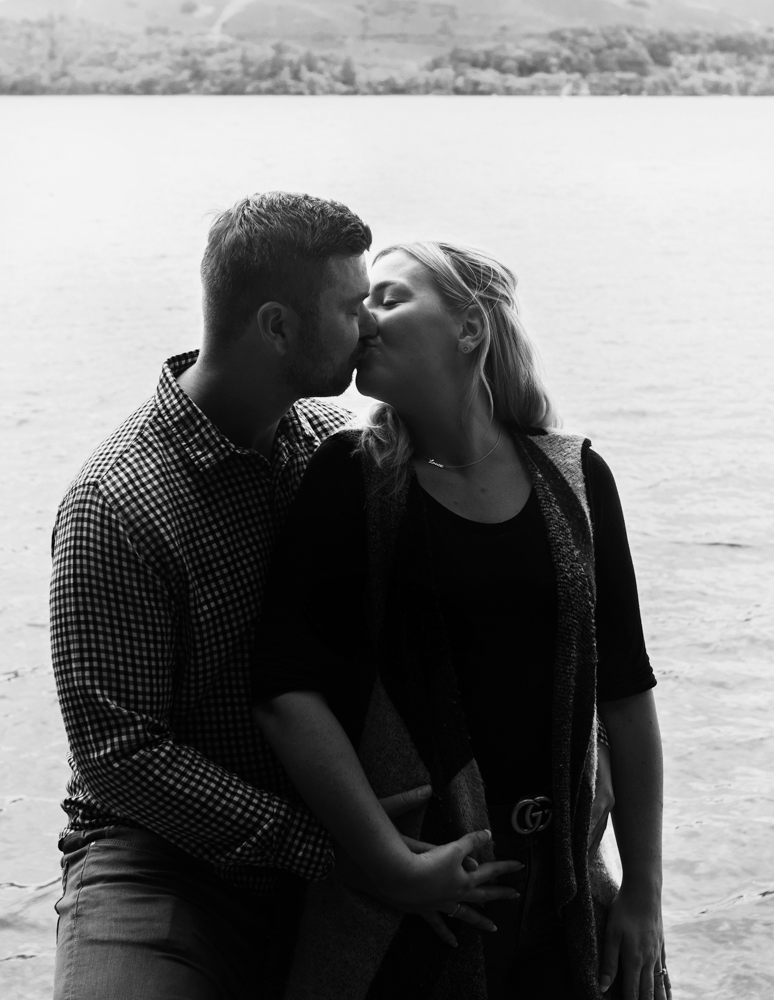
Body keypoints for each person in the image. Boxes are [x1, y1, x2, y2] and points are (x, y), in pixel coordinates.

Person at [48, 193, 519, 999]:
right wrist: (337, 855)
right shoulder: (115, 505)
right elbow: (120, 757)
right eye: (350, 306)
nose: (369, 325)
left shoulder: (329, 455)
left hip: (346, 830)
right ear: (277, 327)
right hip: (162, 862)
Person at [251, 241, 668, 1000]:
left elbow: (627, 693)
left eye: (389, 297)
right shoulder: (351, 478)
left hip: (567, 896)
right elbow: (286, 692)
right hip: (418, 908)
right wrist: (391, 866)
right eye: (357, 306)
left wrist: (642, 894)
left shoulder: (575, 477)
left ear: (469, 326)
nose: (362, 321)